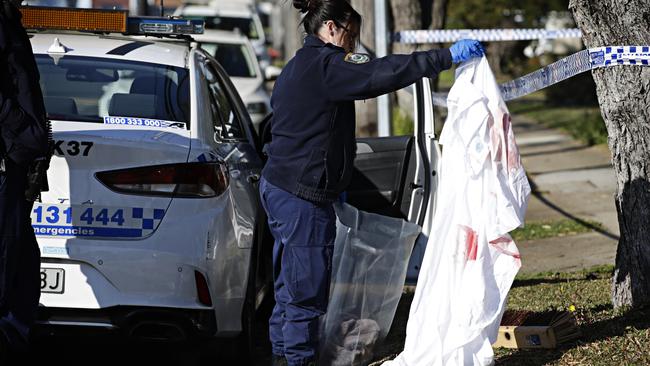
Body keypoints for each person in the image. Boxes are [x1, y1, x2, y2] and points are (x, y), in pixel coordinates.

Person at [259, 0, 484, 364]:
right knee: (305, 292)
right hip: (301, 195)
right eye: (352, 35)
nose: (354, 45)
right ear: (331, 27)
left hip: (282, 186)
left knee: (289, 286)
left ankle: (283, 357)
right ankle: (296, 360)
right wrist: (444, 57)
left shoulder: (299, 64)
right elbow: (383, 72)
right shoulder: (327, 65)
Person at [0, 0, 51, 359]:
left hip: (16, 166)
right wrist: (25, 133)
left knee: (23, 270)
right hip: (6, 162)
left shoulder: (9, 19)